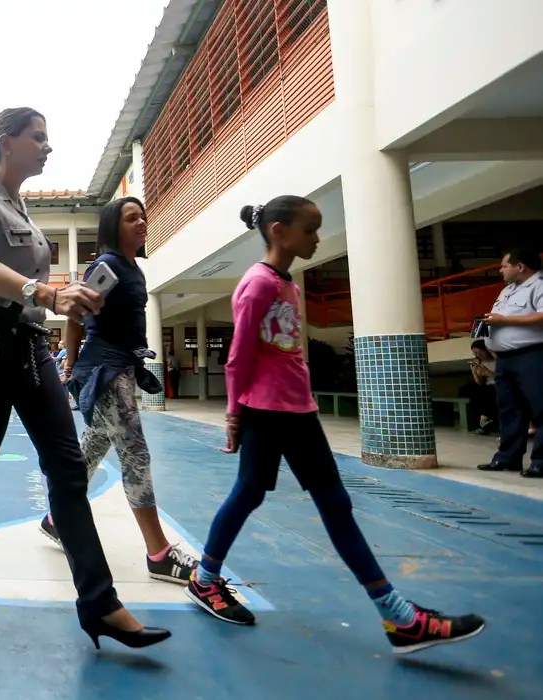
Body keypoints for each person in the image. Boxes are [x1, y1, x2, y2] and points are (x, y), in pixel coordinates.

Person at [185, 196, 485, 654]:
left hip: (297, 409)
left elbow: (283, 353)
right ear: (280, 231)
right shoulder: (257, 284)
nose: (317, 238)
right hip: (267, 411)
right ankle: (207, 579)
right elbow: (239, 354)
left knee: (326, 501)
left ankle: (395, 615)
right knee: (259, 494)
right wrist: (234, 413)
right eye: (311, 229)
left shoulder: (290, 285)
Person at [0, 106, 170, 650]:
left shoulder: (26, 210)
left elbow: (27, 280)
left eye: (47, 138)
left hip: (33, 348)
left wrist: (68, 296)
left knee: (66, 469)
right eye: (38, 137)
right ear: (4, 141)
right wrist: (47, 293)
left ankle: (101, 604)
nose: (47, 146)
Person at [38, 197, 197, 585]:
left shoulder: (132, 268)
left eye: (142, 216)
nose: (141, 221)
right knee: (136, 454)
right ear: (114, 226)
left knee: (93, 447)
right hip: (105, 370)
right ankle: (159, 554)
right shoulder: (107, 266)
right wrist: (73, 367)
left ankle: (57, 518)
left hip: (122, 366)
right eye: (131, 218)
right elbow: (77, 313)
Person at [477, 249, 543, 478]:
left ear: (521, 266)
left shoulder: (539, 285)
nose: (500, 270)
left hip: (532, 355)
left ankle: (541, 462)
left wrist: (505, 320)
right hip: (506, 359)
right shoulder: (507, 290)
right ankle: (508, 458)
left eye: (504, 265)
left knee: (540, 408)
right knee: (509, 410)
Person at [460, 339, 498, 435]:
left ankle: (483, 419)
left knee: (483, 393)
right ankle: (482, 420)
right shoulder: (480, 363)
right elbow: (479, 382)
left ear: (486, 350)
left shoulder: (497, 360)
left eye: (480, 352)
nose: (478, 355)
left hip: (499, 385)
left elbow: (505, 377)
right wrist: (475, 372)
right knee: (471, 389)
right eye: (475, 353)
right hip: (487, 387)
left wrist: (489, 373)